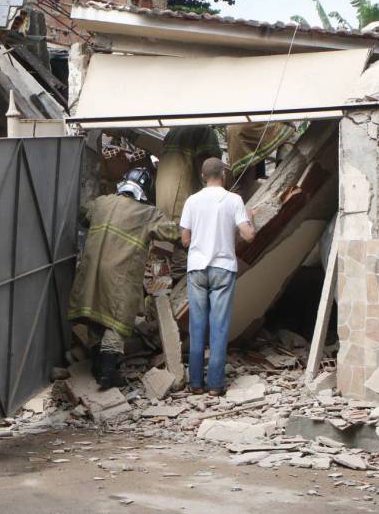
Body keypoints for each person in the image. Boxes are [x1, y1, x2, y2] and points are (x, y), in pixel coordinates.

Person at [68, 167, 179, 388]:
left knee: (95, 314)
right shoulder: (147, 213)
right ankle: (109, 372)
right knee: (116, 320)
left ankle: (97, 366)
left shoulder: (101, 202)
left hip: (91, 271)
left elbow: (82, 214)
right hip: (119, 276)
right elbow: (173, 233)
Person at [179, 157, 256, 396]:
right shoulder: (234, 200)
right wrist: (250, 216)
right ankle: (215, 385)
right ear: (224, 175)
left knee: (197, 326)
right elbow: (249, 235)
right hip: (223, 268)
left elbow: (185, 240)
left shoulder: (192, 201)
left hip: (197, 269)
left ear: (203, 176)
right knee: (219, 327)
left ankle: (195, 383)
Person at [155, 126, 221, 223]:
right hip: (182, 206)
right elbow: (211, 171)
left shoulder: (172, 133)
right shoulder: (204, 130)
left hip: (162, 204)